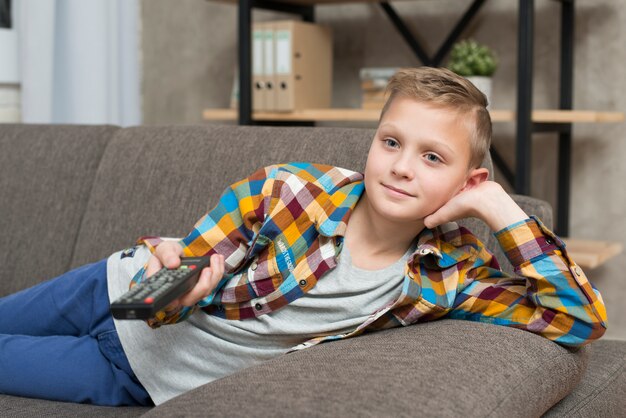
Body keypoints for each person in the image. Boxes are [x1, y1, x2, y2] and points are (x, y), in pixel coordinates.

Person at [0, 67, 607, 407]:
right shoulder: (288, 190)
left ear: (468, 179)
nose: (401, 167)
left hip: (132, 374)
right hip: (113, 287)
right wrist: (175, 277)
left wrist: (500, 208)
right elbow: (189, 262)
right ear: (372, 142)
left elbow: (579, 321)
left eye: (432, 157)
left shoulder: (449, 276)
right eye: (391, 143)